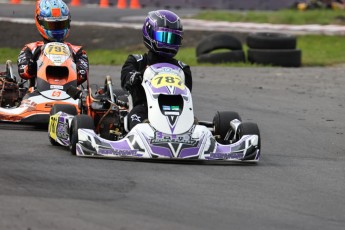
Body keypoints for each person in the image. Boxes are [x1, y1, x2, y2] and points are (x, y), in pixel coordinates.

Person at [121, 10, 192, 130]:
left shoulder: (182, 68)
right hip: (144, 108)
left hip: (177, 109)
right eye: (163, 37)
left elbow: (187, 92)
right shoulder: (136, 61)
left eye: (173, 39)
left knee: (193, 123)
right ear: (149, 33)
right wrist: (135, 77)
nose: (168, 43)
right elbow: (125, 79)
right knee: (134, 121)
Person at [17, 0, 89, 88]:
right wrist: (31, 68)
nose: (57, 29)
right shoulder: (30, 49)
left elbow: (83, 75)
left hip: (71, 95)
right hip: (36, 95)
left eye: (61, 24)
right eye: (52, 25)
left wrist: (76, 70)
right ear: (40, 23)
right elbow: (23, 72)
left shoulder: (78, 51)